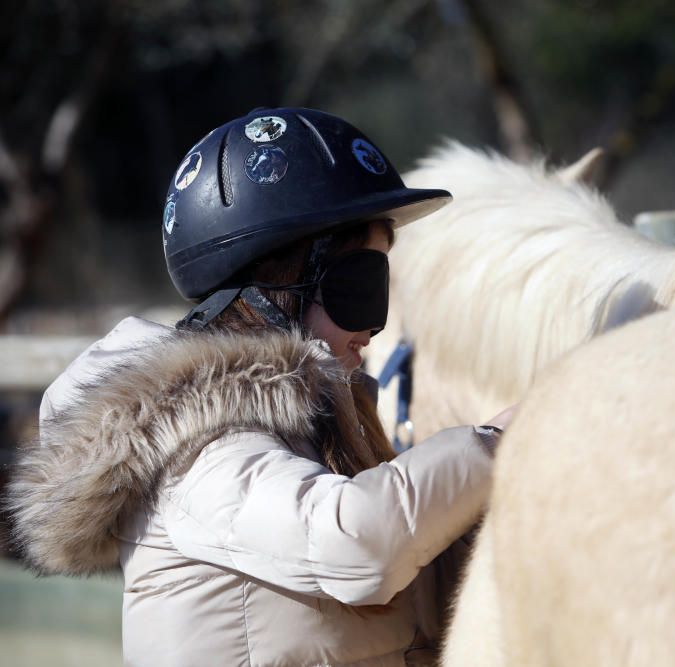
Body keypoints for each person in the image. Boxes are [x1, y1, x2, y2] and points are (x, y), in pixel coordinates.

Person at [6, 108, 513, 666]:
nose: (374, 327)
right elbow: (359, 544)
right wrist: (511, 436)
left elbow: (419, 577)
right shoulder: (195, 446)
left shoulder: (322, 423)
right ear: (276, 285)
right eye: (362, 287)